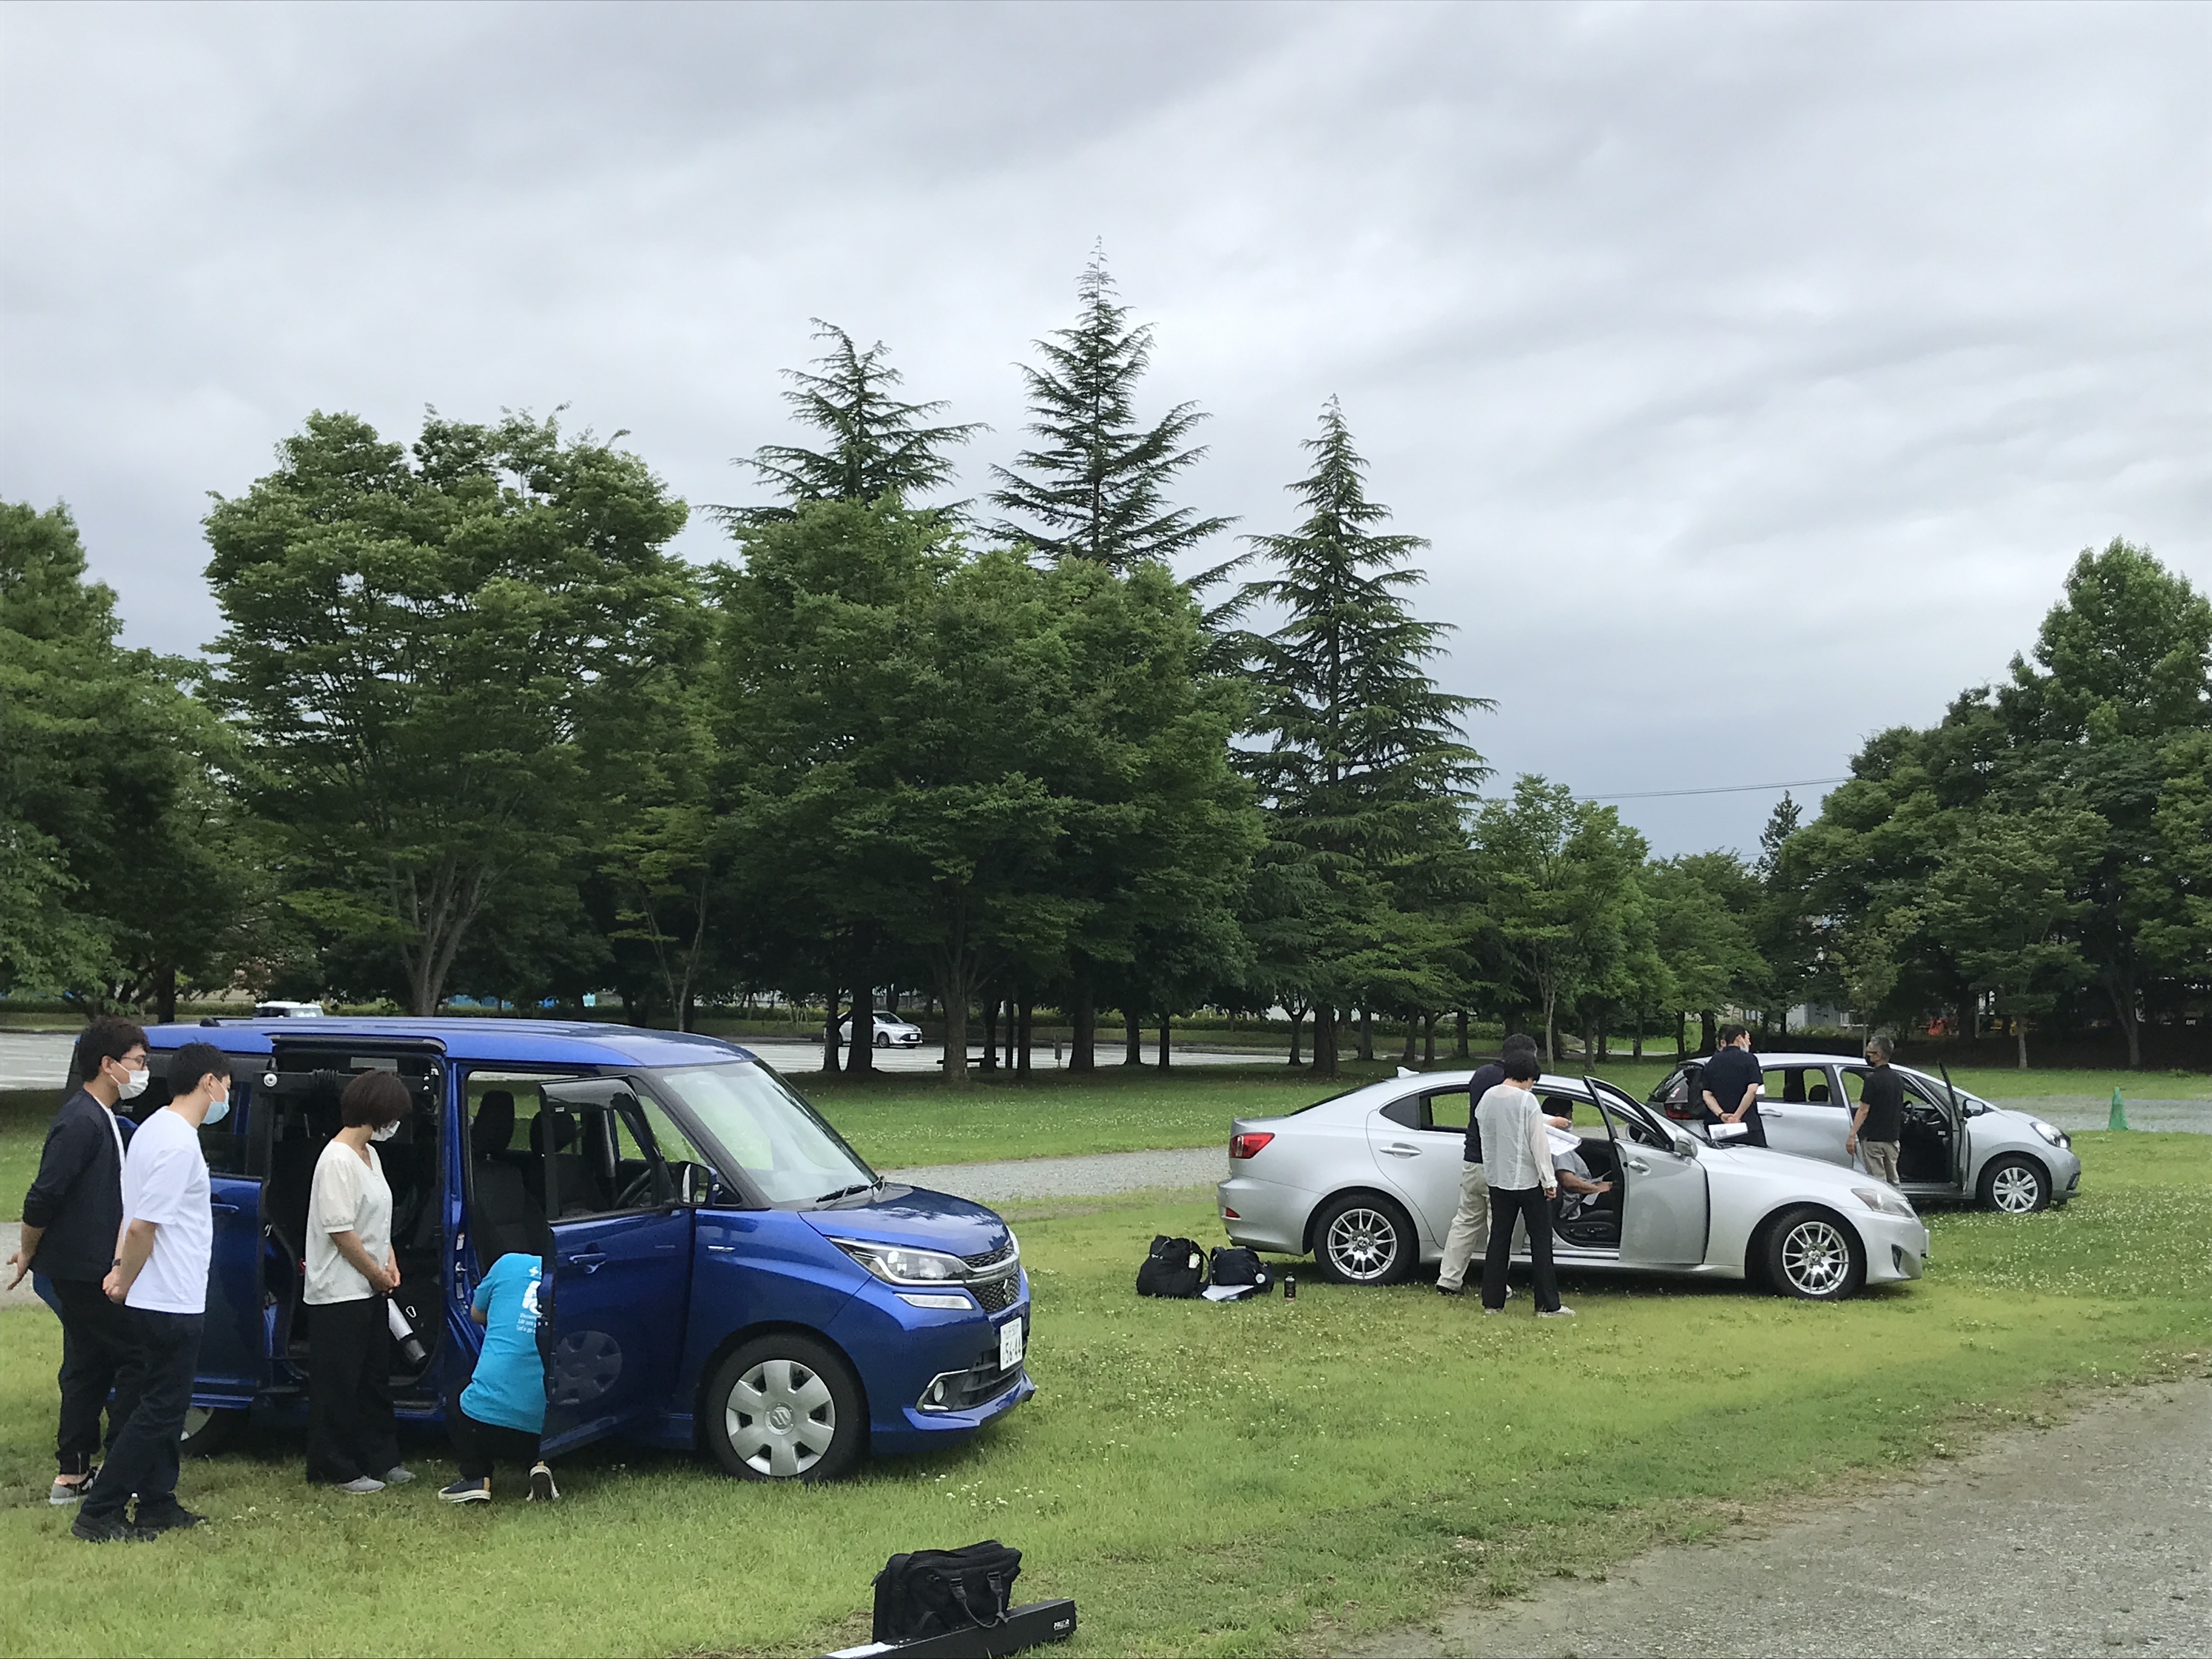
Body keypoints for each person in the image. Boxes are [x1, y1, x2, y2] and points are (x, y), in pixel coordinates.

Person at [71, 1041, 227, 1542]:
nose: (227, 1094)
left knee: (157, 1403)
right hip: (169, 1298)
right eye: (226, 1083)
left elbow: (131, 1210)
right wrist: (125, 1275)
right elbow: (143, 1225)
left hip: (158, 1295)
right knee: (160, 1410)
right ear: (209, 1082)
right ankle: (100, 1509)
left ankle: (158, 1501)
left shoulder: (154, 1129)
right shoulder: (178, 1143)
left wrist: (122, 1271)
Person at [8, 1018, 147, 1508]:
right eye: (138, 1062)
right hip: (83, 1270)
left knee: (87, 1365)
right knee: (137, 1356)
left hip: (88, 1265)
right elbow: (43, 1196)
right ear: (108, 1066)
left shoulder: (102, 1116)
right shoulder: (80, 1120)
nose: (142, 1070)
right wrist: (28, 1252)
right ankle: (122, 1468)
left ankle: (73, 1474)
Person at [304, 1069, 413, 1493]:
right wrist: (375, 1273)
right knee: (340, 1383)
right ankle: (336, 1465)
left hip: (370, 1287)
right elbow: (340, 1230)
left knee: (373, 1378)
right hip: (339, 1291)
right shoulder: (336, 1160)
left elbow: (377, 1219)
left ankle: (381, 1457)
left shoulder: (371, 1155)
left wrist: (390, 1261)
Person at [439, 1245, 557, 1504]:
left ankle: (476, 1478)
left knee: (455, 1395)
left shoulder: (507, 1264)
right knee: (544, 1397)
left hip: (484, 1421)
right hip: (546, 1426)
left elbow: (475, 1314)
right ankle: (539, 1463)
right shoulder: (570, 1277)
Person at [1436, 1034, 1539, 1296]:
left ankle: (1449, 1278)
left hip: (1473, 1160)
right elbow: (1519, 1121)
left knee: (1465, 1220)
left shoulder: (1480, 1075)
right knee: (1499, 1227)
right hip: (1499, 1164)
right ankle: (1496, 1286)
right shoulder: (1511, 1086)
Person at [1476, 1049, 1572, 1318]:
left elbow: (1488, 1136)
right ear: (1528, 1077)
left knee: (1498, 1241)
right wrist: (1549, 1179)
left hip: (1498, 1180)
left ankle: (1492, 1303)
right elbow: (1539, 1143)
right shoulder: (1526, 1101)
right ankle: (1547, 1305)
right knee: (1541, 1243)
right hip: (1529, 1182)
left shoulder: (1487, 1098)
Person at [1848, 1034, 1906, 1187]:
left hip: (1873, 1140)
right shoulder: (1898, 1079)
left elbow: (1863, 1110)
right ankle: (1899, 1206)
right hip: (1892, 1140)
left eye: (1869, 1053)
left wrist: (1852, 1134)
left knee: (1878, 1182)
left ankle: (1883, 1210)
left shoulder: (1872, 1080)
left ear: (1878, 1056)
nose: (1867, 1056)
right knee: (1894, 1181)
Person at [1543, 1100, 1615, 1221]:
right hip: (1577, 1203)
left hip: (1584, 1194)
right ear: (1558, 1118)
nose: (1571, 1119)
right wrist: (1597, 1189)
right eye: (1570, 1115)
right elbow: (1569, 1182)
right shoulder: (1559, 1148)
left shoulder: (1557, 1142)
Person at [1700, 1024, 1767, 1148]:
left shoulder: (1712, 1062)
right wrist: (1737, 1116)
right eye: (1748, 1039)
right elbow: (1752, 1090)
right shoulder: (1749, 1060)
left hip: (1719, 1127)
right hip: (1747, 1125)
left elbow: (1707, 1095)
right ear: (1740, 1039)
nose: (1749, 1043)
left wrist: (1722, 1115)